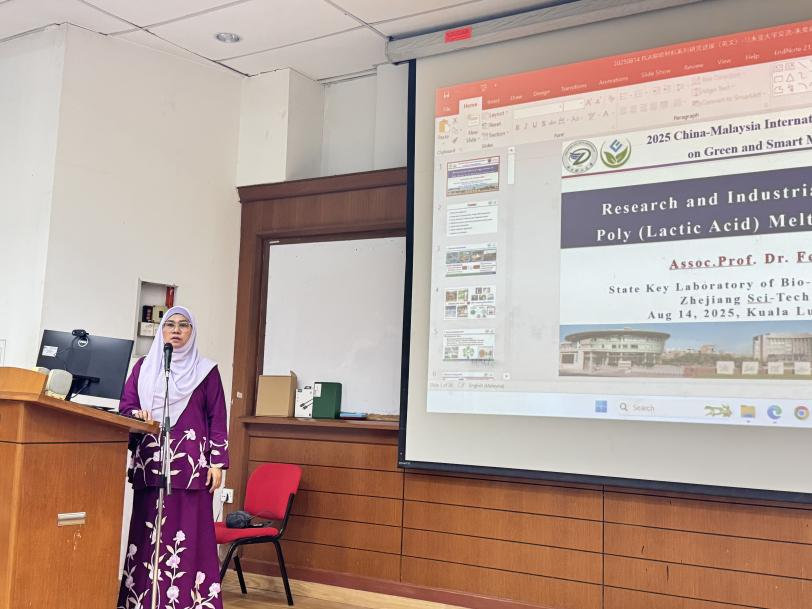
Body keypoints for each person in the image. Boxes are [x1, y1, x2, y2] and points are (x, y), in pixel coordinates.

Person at [117, 306, 229, 609]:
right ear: (161, 332)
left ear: (192, 332)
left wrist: (217, 462)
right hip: (151, 464)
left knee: (188, 536)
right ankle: (142, 602)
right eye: (170, 325)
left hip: (191, 468)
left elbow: (217, 417)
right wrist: (136, 415)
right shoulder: (144, 368)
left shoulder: (206, 371)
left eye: (184, 325)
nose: (176, 330)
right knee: (147, 535)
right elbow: (126, 407)